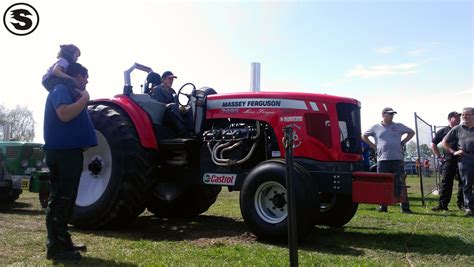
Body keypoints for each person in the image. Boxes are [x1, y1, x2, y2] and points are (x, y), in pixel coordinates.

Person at [43, 62, 97, 261]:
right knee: (61, 199)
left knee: (65, 198)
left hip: (69, 153)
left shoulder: (67, 91)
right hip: (63, 153)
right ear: (75, 76)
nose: (87, 80)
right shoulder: (60, 89)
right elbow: (64, 114)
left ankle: (62, 240)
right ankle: (56, 247)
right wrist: (84, 100)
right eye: (85, 76)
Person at [362, 107, 415, 213]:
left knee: (400, 183)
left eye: (393, 114)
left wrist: (403, 142)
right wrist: (373, 145)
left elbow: (411, 132)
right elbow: (364, 136)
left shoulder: (398, 126)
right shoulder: (375, 127)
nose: (392, 116)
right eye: (389, 114)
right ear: (383, 115)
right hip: (382, 159)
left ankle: (404, 207)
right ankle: (383, 207)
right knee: (382, 183)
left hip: (398, 159)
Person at [442, 107, 474, 217]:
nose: (464, 117)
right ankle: (469, 208)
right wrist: (453, 151)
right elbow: (444, 142)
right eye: (463, 115)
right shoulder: (457, 128)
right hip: (465, 159)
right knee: (466, 184)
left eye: (467, 115)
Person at [431, 111, 464, 211]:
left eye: (459, 117)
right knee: (446, 183)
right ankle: (442, 205)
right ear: (449, 119)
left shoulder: (462, 129)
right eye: (456, 117)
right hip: (448, 160)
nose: (459, 119)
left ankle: (462, 205)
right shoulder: (443, 131)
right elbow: (433, 144)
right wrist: (439, 156)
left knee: (463, 183)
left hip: (462, 160)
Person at [151, 71, 193, 136]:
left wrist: (184, 107)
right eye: (169, 79)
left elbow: (178, 104)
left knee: (190, 108)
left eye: (172, 79)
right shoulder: (157, 89)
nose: (171, 81)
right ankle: (182, 130)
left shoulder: (172, 91)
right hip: (163, 114)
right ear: (163, 79)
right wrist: (172, 105)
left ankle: (192, 130)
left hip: (173, 112)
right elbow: (159, 104)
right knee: (172, 106)